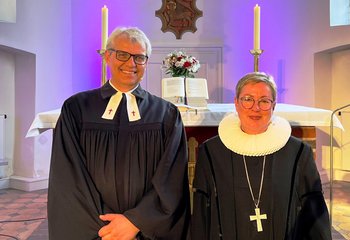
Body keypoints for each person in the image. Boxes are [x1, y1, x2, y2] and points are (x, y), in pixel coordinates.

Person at [48, 26, 190, 240]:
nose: (131, 63)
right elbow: (68, 176)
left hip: (146, 230)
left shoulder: (165, 114)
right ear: (108, 57)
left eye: (139, 57)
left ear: (146, 62)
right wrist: (109, 228)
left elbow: (172, 177)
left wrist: (136, 221)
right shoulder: (77, 108)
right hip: (95, 230)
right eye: (122, 55)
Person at [191, 72, 331, 239]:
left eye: (264, 101)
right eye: (248, 99)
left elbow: (314, 211)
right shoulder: (212, 151)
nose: (255, 108)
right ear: (236, 103)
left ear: (273, 106)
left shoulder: (298, 152)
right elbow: (201, 212)